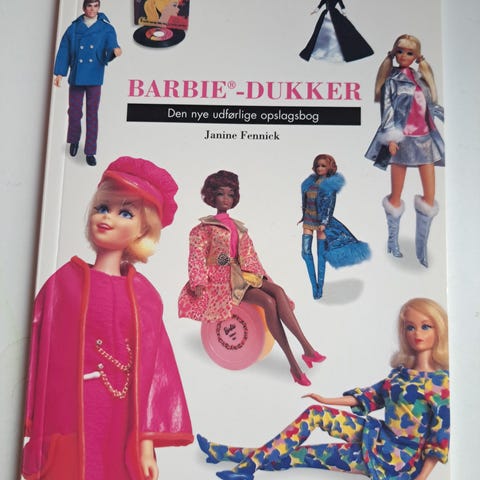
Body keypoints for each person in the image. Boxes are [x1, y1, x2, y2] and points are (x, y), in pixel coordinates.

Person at [21, 157, 193, 480]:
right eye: (102, 208)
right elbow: (33, 353)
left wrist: (145, 446)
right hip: (68, 415)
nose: (107, 217)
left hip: (121, 418)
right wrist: (28, 421)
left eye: (125, 213)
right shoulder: (63, 284)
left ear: (143, 229)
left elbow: (155, 369)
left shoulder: (145, 297)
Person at [197, 298, 449, 480]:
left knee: (299, 455)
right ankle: (238, 463)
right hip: (377, 435)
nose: (417, 333)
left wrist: (421, 479)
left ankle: (229, 457)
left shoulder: (442, 384)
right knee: (315, 412)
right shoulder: (400, 374)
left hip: (396, 461)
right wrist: (326, 400)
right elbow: (370, 397)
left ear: (439, 330)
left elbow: (439, 439)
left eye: (426, 326)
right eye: (410, 327)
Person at [178, 170, 325, 386]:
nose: (226, 199)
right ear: (212, 196)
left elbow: (249, 254)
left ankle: (306, 348)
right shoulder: (202, 229)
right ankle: (294, 365)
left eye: (230, 195)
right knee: (268, 302)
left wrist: (260, 276)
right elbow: (196, 256)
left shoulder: (239, 227)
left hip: (243, 274)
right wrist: (199, 281)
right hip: (222, 281)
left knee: (278, 291)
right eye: (220, 194)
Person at [365, 34, 445, 267]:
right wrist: (391, 137)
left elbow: (428, 105)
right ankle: (393, 241)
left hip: (425, 139)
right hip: (401, 141)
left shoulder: (421, 78)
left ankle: (421, 249)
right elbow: (387, 110)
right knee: (395, 196)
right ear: (394, 53)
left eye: (409, 53)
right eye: (400, 52)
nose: (404, 56)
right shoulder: (392, 80)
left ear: (416, 56)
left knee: (429, 198)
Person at [53, 0, 122, 166]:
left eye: (95, 6)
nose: (92, 9)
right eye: (89, 6)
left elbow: (111, 44)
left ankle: (90, 151)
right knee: (74, 111)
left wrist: (115, 51)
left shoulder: (106, 28)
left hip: (94, 74)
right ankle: (73, 140)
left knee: (92, 113)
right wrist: (59, 73)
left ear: (99, 7)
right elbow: (64, 49)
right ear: (84, 8)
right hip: (77, 74)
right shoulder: (74, 27)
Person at [300, 154, 370, 299]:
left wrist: (324, 223)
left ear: (329, 167)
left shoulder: (329, 185)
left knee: (321, 255)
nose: (320, 168)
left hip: (321, 222)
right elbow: (306, 202)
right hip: (308, 219)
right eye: (318, 165)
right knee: (305, 252)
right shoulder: (309, 183)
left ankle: (319, 288)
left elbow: (329, 206)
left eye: (323, 166)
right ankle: (314, 285)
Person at [299, 0, 373, 62]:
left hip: (335, 15)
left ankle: (339, 52)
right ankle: (323, 50)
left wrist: (344, 14)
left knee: (337, 32)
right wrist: (315, 11)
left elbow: (342, 6)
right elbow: (320, 5)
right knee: (321, 32)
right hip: (326, 15)